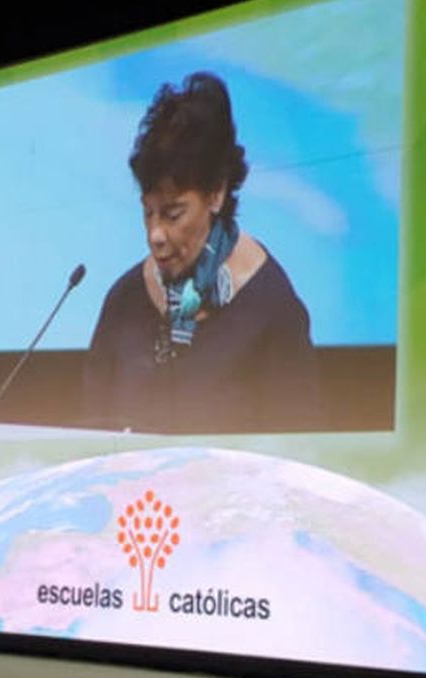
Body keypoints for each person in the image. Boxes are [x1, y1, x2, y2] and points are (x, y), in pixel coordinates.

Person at [83, 71, 321, 434]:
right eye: (148, 212)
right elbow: (87, 436)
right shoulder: (124, 300)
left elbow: (295, 465)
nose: (155, 235)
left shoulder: (274, 309)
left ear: (216, 194)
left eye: (173, 213)